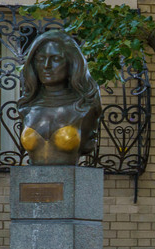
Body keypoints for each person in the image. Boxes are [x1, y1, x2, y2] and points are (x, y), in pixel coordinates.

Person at [18, 29, 102, 165]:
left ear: (71, 63)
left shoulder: (85, 107)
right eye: (40, 59)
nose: (46, 66)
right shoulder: (27, 108)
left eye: (56, 59)